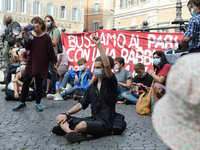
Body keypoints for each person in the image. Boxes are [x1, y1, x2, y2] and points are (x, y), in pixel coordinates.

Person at [52, 35, 117, 143]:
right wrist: (66, 114)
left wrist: (98, 45)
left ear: (104, 70)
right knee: (60, 118)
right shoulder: (92, 86)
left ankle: (70, 131)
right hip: (93, 120)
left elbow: (107, 65)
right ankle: (72, 133)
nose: (95, 69)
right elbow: (81, 104)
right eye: (94, 67)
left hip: (105, 123)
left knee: (81, 125)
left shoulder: (110, 82)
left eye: (98, 67)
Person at [152, 54, 200, 150]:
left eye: (157, 57)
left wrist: (151, 74)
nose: (155, 59)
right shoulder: (158, 68)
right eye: (154, 57)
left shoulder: (166, 66)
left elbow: (161, 80)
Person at [12, 17, 57, 111]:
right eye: (33, 23)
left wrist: (53, 64)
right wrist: (26, 38)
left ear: (41, 25)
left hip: (41, 63)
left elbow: (51, 52)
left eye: (36, 23)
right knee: (26, 82)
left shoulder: (46, 37)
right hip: (31, 62)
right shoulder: (31, 35)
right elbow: (27, 47)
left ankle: (38, 103)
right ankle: (22, 102)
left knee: (39, 84)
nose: (34, 24)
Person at [44, 15, 60, 94]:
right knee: (44, 73)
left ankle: (53, 90)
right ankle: (44, 90)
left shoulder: (55, 30)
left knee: (52, 73)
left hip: (52, 54)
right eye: (46, 21)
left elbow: (54, 42)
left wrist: (45, 41)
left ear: (52, 21)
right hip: (45, 55)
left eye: (49, 21)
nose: (47, 23)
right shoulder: (46, 31)